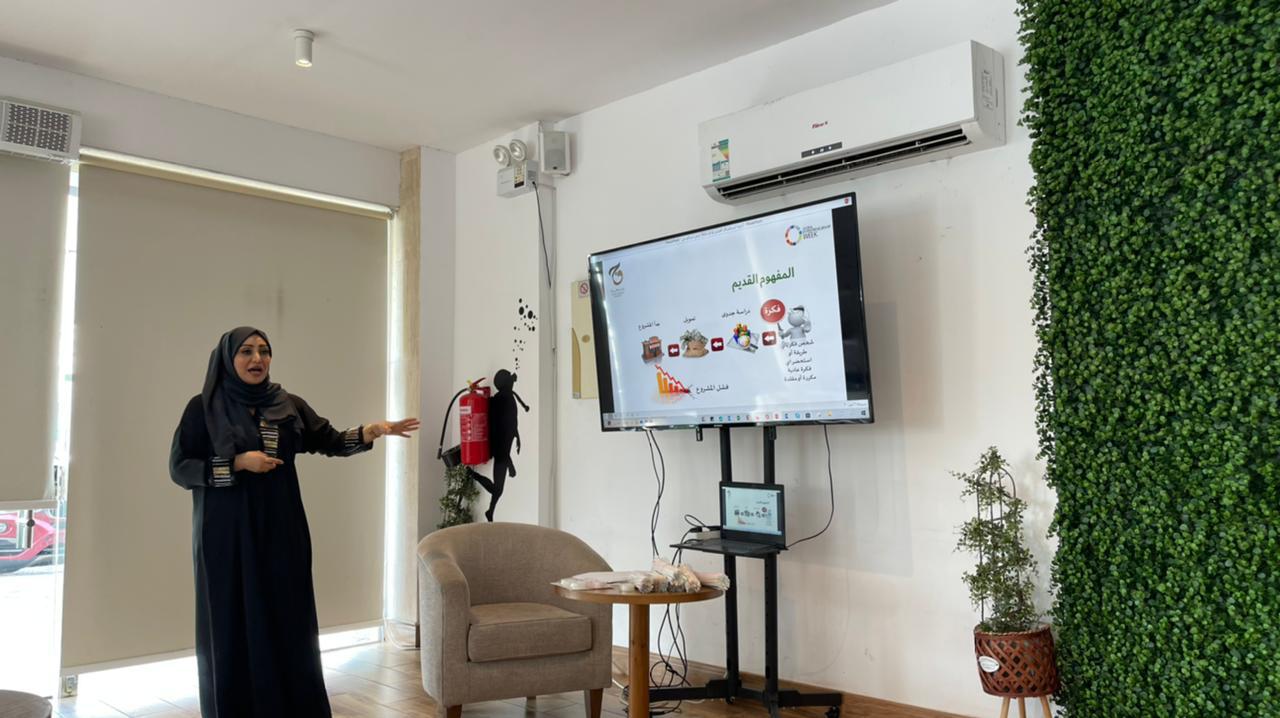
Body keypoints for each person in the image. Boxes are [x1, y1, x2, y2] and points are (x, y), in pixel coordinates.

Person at [169, 326, 419, 717]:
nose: (257, 359)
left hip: (282, 530)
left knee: (288, 619)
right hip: (225, 537)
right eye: (246, 351)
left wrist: (371, 431)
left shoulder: (287, 404)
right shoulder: (202, 408)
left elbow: (329, 440)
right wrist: (237, 463)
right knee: (231, 622)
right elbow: (180, 468)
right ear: (228, 358)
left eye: (264, 350)